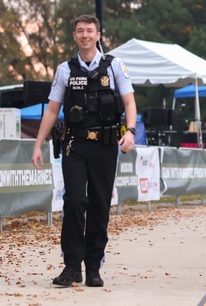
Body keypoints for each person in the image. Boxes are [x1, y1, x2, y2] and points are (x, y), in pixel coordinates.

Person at [31, 15, 137, 288]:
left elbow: (129, 102)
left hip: (104, 147)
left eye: (90, 31)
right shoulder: (65, 70)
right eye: (80, 31)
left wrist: (131, 131)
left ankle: (93, 267)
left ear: (99, 34)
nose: (85, 35)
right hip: (75, 146)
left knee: (100, 205)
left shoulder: (114, 67)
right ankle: (71, 266)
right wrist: (38, 143)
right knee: (75, 201)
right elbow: (53, 109)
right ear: (74, 35)